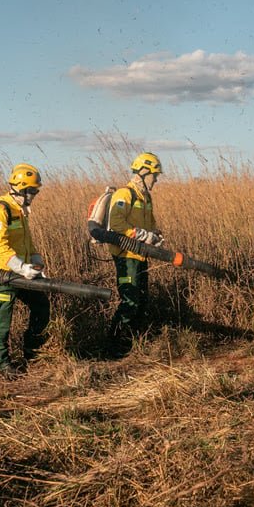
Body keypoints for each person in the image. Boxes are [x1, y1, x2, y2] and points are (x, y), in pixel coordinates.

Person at [0, 163, 50, 379]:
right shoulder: (0, 211)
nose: (34, 195)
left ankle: (32, 350)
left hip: (22, 273)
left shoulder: (20, 211)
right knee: (1, 320)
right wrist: (20, 267)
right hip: (3, 274)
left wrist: (36, 262)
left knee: (41, 305)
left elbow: (27, 242)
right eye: (32, 191)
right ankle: (1, 363)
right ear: (20, 189)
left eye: (36, 191)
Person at [106, 152, 164, 355]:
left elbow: (151, 222)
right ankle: (114, 347)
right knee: (129, 300)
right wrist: (139, 235)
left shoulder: (145, 197)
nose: (156, 179)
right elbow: (116, 223)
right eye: (154, 175)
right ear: (143, 172)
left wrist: (155, 235)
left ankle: (133, 344)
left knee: (141, 299)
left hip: (141, 255)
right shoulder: (125, 194)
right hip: (126, 255)